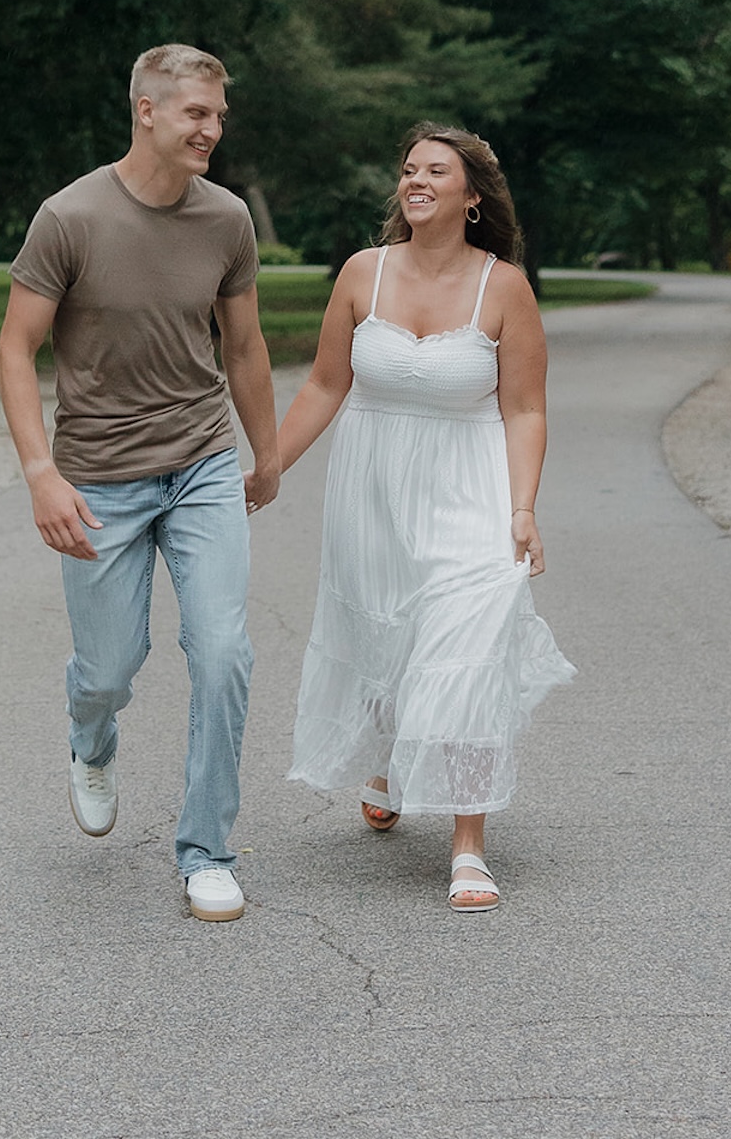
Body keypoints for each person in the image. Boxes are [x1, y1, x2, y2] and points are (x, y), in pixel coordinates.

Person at [0, 44, 279, 922]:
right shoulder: (69, 217)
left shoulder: (227, 219)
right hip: (100, 480)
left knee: (225, 653)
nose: (213, 130)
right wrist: (41, 473)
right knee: (111, 668)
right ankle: (91, 735)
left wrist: (264, 453)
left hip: (199, 466)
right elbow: (14, 350)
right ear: (147, 111)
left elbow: (243, 347)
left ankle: (207, 851)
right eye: (198, 113)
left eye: (220, 116)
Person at [280, 122, 574, 911]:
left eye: (436, 172)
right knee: (387, 633)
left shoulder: (504, 287)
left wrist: (523, 510)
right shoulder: (361, 274)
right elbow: (322, 387)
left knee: (464, 651)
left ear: (472, 196)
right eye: (409, 169)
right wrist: (267, 468)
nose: (416, 181)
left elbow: (525, 409)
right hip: (371, 491)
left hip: (470, 490)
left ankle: (469, 845)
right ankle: (386, 761)